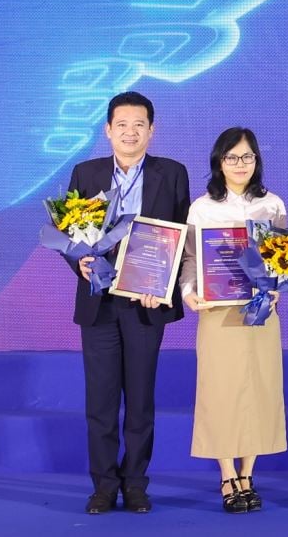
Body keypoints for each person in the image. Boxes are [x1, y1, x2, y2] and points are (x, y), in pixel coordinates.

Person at [65, 91, 190, 514]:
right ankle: (103, 486)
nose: (130, 132)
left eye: (139, 125)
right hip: (99, 303)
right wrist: (80, 263)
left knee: (140, 400)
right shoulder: (86, 173)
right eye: (122, 125)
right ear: (108, 130)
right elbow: (70, 234)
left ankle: (135, 484)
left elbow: (181, 236)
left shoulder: (172, 173)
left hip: (145, 303)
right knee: (100, 402)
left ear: (151, 130)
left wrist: (165, 284)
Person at [179, 128, 288, 513]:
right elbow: (190, 258)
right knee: (220, 391)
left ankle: (248, 474)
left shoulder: (272, 204)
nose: (240, 164)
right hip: (217, 311)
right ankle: (227, 474)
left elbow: (284, 257)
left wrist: (279, 284)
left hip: (260, 310)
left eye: (247, 157)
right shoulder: (202, 207)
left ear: (257, 160)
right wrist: (188, 291)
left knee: (258, 389)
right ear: (219, 162)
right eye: (232, 157)